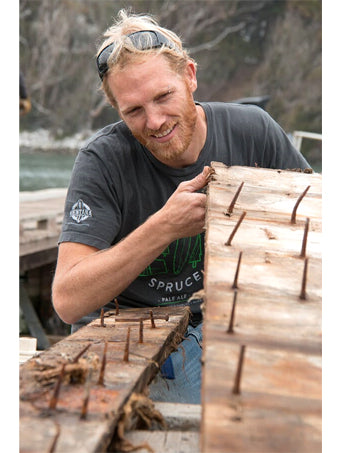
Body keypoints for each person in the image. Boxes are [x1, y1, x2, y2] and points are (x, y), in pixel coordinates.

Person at [52, 9, 310, 404]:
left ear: (190, 75)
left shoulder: (254, 131)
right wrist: (164, 227)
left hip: (219, 319)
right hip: (122, 330)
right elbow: (68, 301)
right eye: (133, 111)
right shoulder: (101, 160)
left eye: (163, 97)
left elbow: (317, 231)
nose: (154, 121)